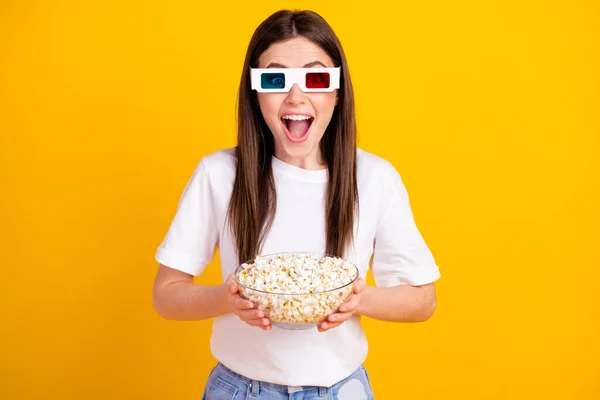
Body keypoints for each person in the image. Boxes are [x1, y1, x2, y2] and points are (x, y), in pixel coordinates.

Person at [152, 9, 441, 400]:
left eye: (316, 77)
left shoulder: (374, 179)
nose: (296, 96)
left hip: (342, 389)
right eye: (274, 79)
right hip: (240, 388)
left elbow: (423, 299)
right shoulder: (219, 174)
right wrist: (229, 298)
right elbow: (166, 294)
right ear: (255, 94)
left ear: (337, 93)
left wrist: (359, 298)